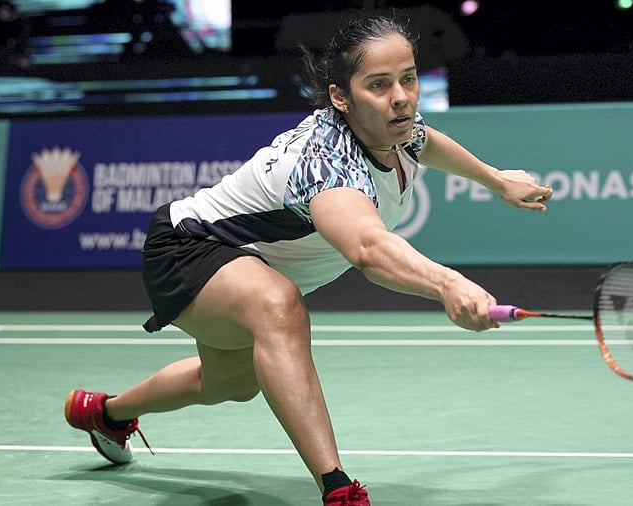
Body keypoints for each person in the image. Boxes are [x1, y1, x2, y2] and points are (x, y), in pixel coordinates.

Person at [64, 10, 554, 505]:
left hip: (246, 264)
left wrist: (496, 179)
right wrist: (449, 285)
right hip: (189, 247)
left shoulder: (394, 125)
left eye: (408, 79)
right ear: (341, 97)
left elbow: (426, 143)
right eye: (379, 85)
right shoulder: (326, 162)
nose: (401, 97)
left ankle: (105, 414)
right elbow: (367, 248)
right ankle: (338, 489)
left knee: (229, 382)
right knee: (280, 308)